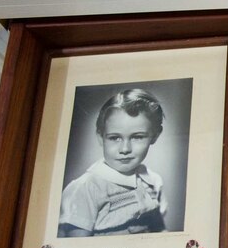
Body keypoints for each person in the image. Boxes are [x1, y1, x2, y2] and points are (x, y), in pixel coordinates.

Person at [58, 89, 167, 237]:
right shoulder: (85, 189)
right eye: (115, 138)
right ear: (100, 137)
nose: (125, 149)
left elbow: (160, 231)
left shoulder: (153, 181)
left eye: (137, 137)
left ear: (155, 135)